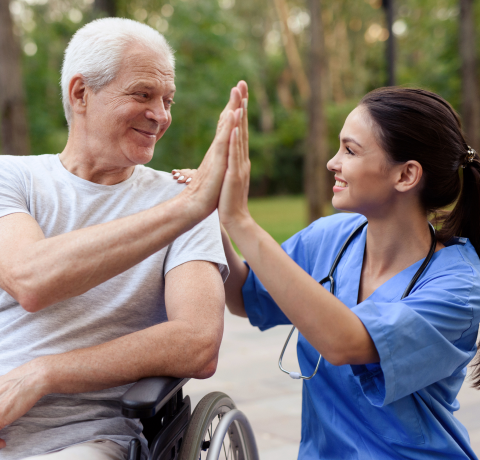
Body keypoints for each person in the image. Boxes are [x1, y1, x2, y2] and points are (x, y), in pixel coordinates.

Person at [173, 87, 480, 459]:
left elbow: (344, 343)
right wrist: (209, 213)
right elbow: (243, 295)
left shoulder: (459, 287)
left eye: (350, 151)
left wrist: (240, 219)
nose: (332, 162)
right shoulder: (331, 237)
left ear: (406, 175)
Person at [0, 18, 247, 460]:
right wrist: (186, 208)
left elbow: (198, 341)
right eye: (142, 94)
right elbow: (29, 277)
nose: (161, 115)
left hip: (84, 440)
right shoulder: (11, 178)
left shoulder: (183, 198)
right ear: (81, 93)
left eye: (167, 100)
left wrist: (42, 374)